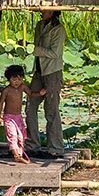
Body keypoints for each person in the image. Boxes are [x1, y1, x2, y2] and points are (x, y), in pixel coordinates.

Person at [26, 10, 66, 153]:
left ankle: (55, 148)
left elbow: (55, 53)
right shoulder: (39, 25)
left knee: (51, 110)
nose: (41, 12)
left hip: (52, 72)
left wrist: (34, 50)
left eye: (44, 10)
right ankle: (32, 145)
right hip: (38, 71)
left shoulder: (58, 29)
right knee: (30, 107)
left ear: (51, 12)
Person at [0, 65, 41, 164]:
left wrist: (40, 93)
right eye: (14, 79)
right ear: (9, 79)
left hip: (18, 117)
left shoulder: (23, 87)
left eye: (19, 79)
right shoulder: (6, 90)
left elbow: (31, 94)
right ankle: (16, 155)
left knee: (21, 137)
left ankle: (20, 154)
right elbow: (0, 103)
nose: (17, 81)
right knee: (12, 135)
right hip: (9, 117)